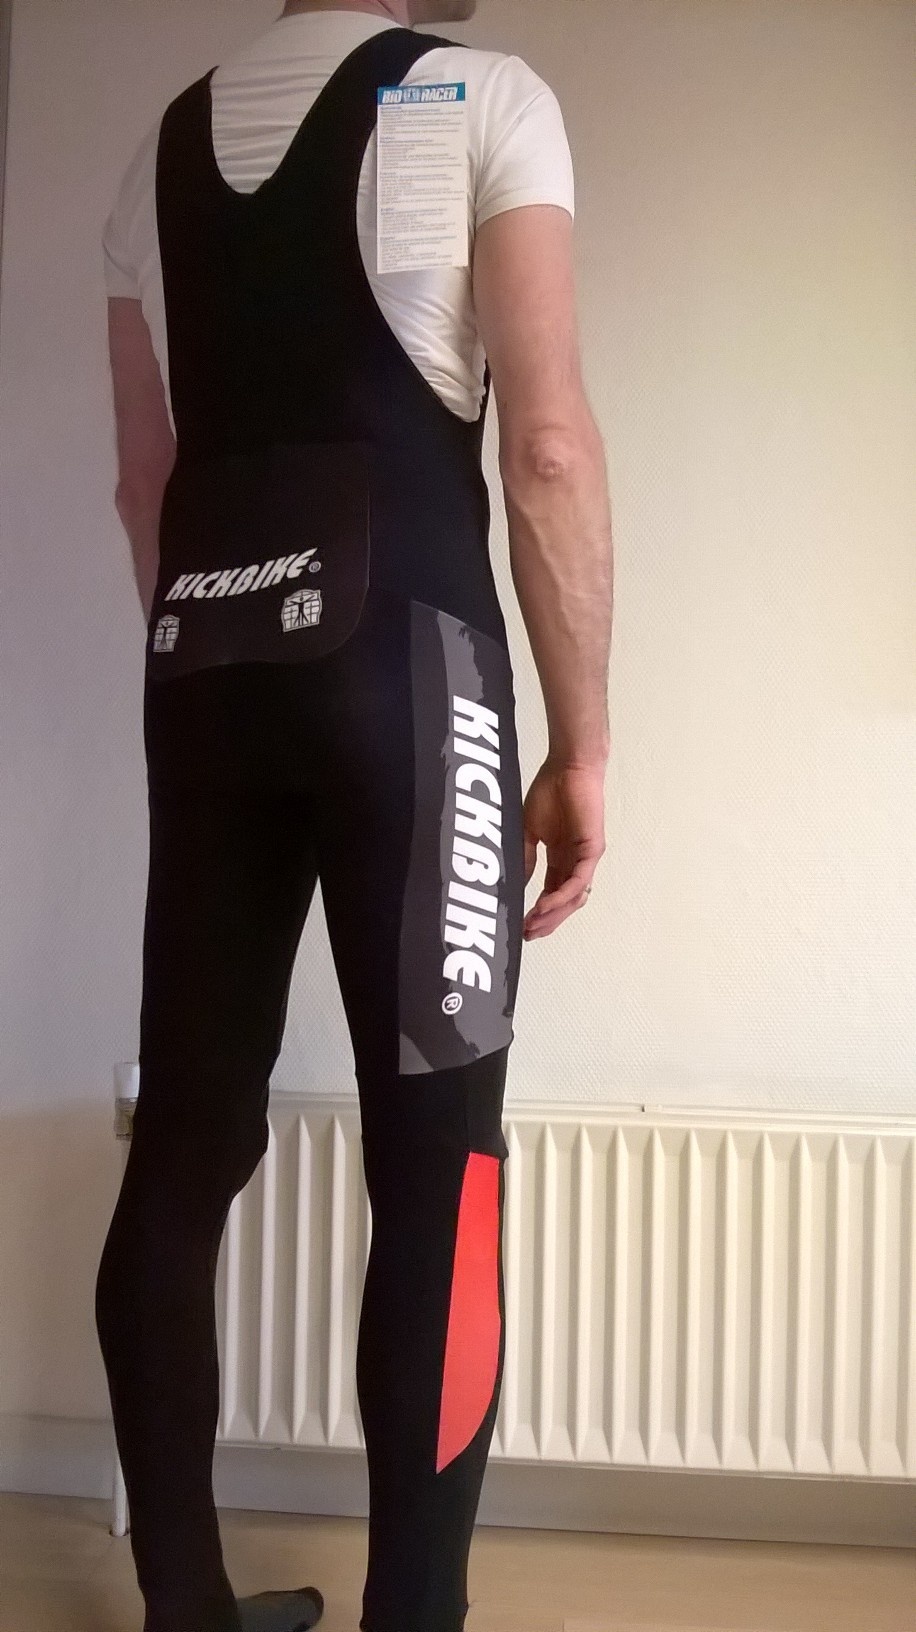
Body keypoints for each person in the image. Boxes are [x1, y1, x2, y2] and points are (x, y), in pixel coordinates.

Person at [95, 2, 614, 1630]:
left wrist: (229, 661)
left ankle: (183, 1606)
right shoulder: (488, 97)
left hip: (204, 668)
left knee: (185, 1148)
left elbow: (144, 485)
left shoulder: (156, 153)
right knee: (442, 1170)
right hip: (415, 674)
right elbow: (546, 452)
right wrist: (585, 743)